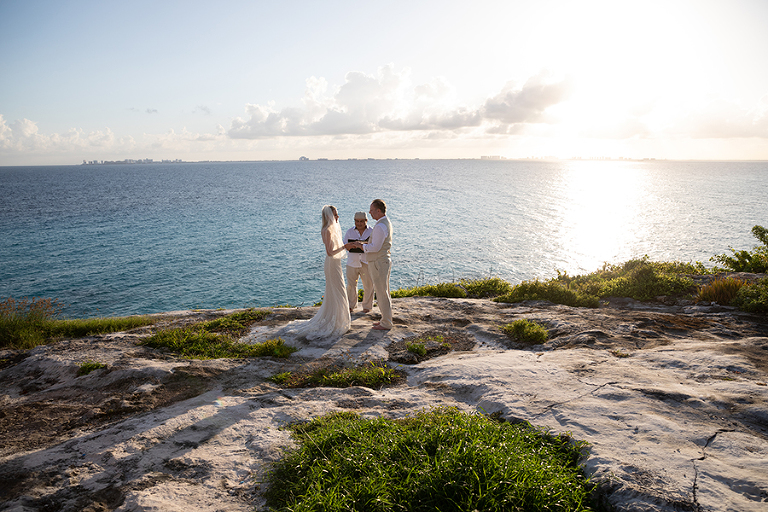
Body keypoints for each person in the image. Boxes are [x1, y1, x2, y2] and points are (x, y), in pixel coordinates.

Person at [289, 205, 352, 340]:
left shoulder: (328, 229)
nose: (337, 217)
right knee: (338, 291)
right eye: (335, 215)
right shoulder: (328, 230)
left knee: (335, 291)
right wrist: (345, 247)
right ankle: (337, 321)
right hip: (331, 263)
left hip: (333, 263)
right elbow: (330, 252)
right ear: (330, 216)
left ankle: (338, 318)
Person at [351, 199, 393, 330]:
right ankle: (385, 320)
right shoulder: (384, 223)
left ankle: (386, 323)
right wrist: (363, 244)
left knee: (381, 293)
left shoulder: (380, 226)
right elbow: (376, 245)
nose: (370, 212)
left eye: (372, 210)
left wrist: (362, 247)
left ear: (378, 210)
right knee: (384, 292)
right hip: (382, 261)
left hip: (378, 262)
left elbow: (375, 248)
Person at [343, 211, 374, 314]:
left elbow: (375, 246)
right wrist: (352, 245)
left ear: (366, 220)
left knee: (368, 285)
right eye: (357, 221)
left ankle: (367, 306)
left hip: (367, 262)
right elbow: (344, 245)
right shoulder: (349, 232)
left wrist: (362, 244)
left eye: (361, 221)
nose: (359, 223)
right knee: (351, 285)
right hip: (352, 262)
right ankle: (351, 305)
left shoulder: (372, 232)